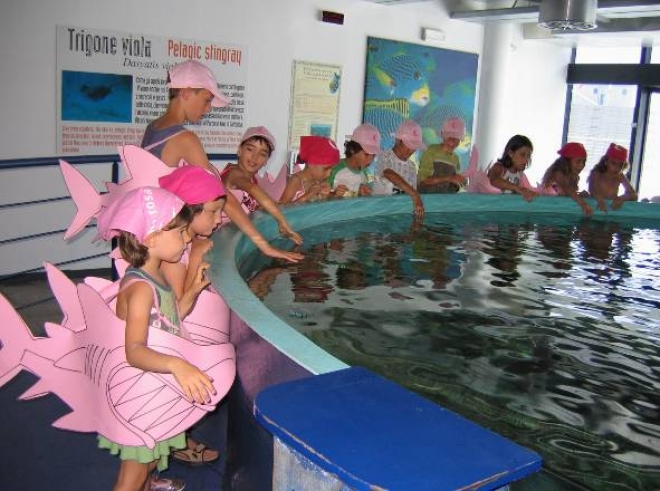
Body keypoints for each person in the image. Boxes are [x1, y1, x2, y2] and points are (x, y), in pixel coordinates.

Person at [96, 186, 215, 491]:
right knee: (133, 471)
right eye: (180, 232)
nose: (188, 239)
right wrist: (178, 365)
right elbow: (134, 350)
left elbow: (170, 318)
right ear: (151, 238)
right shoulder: (139, 289)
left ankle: (149, 485)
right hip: (140, 395)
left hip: (156, 387)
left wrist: (193, 291)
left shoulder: (158, 274)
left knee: (150, 458)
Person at [141, 59, 302, 263]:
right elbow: (220, 194)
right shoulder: (185, 139)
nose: (208, 109)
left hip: (152, 228)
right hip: (171, 233)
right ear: (186, 93)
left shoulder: (153, 128)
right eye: (207, 100)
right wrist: (264, 245)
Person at [221, 126, 303, 244]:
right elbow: (253, 189)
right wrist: (283, 223)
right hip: (221, 238)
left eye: (262, 154)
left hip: (235, 236)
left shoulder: (253, 179)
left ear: (266, 161)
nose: (255, 157)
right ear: (239, 150)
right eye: (250, 149)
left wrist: (263, 207)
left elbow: (248, 205)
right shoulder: (233, 173)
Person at [372, 119, 426, 217]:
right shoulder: (386, 156)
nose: (411, 150)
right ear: (397, 140)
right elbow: (388, 173)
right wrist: (414, 194)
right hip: (379, 212)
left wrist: (414, 195)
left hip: (399, 212)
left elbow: (412, 196)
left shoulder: (412, 167)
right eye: (408, 145)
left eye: (414, 146)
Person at [279, 135, 343, 204]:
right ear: (311, 164)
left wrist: (333, 195)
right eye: (326, 169)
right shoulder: (296, 180)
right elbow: (282, 208)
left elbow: (320, 204)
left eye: (332, 169)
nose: (329, 174)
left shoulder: (318, 181)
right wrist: (307, 196)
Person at [328, 123, 382, 198]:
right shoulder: (333, 169)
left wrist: (361, 193)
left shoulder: (365, 172)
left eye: (374, 155)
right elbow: (320, 196)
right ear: (352, 150)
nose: (371, 159)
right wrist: (334, 195)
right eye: (366, 154)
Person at [540, 142, 593, 215]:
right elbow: (567, 189)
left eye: (584, 161)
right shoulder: (557, 174)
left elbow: (567, 195)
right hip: (547, 212)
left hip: (557, 212)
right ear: (566, 162)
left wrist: (579, 195)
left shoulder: (571, 177)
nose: (582, 165)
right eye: (578, 161)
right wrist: (583, 204)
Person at [418, 116, 468, 193]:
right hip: (427, 198)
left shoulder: (456, 159)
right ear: (442, 134)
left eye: (456, 137)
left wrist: (460, 182)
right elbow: (423, 180)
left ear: (460, 140)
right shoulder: (431, 151)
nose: (452, 141)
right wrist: (449, 178)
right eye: (449, 136)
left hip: (445, 201)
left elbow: (453, 185)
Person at [486, 134, 538, 202]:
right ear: (510, 153)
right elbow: (494, 180)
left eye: (529, 155)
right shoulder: (499, 167)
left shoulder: (520, 174)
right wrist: (518, 188)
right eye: (522, 155)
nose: (526, 160)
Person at [588, 143, 638, 212]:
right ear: (606, 161)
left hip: (611, 208)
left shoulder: (619, 176)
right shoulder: (597, 173)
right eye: (613, 163)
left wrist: (622, 198)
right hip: (595, 206)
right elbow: (593, 189)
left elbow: (634, 195)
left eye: (620, 165)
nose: (617, 168)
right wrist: (599, 199)